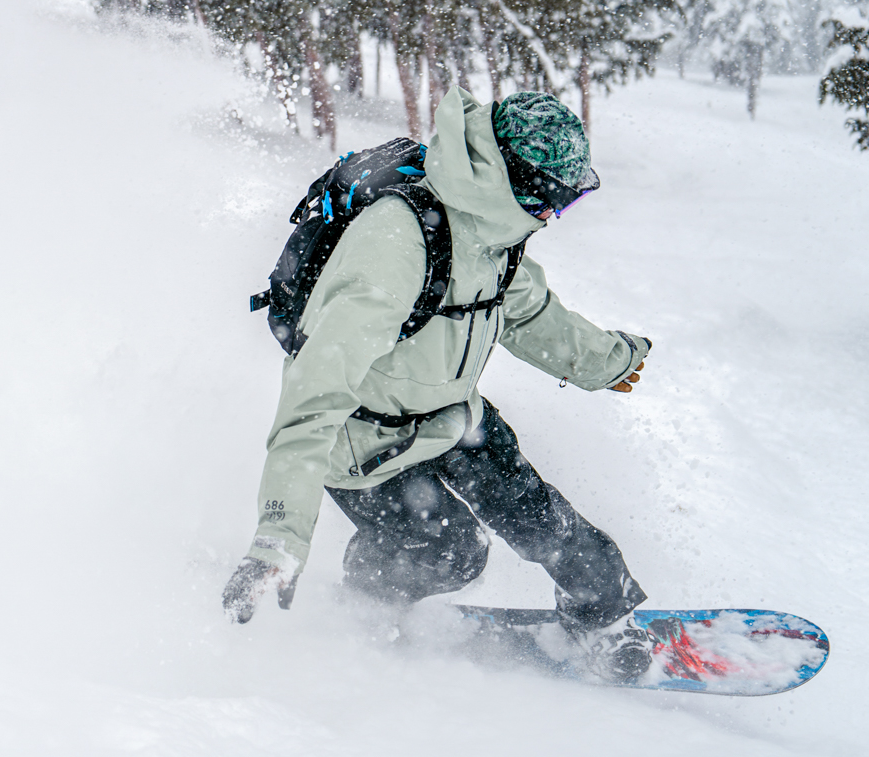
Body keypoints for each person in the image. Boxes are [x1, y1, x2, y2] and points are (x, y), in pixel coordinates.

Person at [222, 87, 654, 682]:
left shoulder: (491, 232)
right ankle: (367, 607)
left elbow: (529, 315)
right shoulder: (393, 247)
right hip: (364, 441)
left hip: (452, 418)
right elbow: (313, 398)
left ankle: (602, 617)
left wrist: (609, 363)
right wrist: (277, 536)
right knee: (450, 552)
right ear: (516, 184)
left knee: (547, 524)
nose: (554, 216)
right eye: (554, 201)